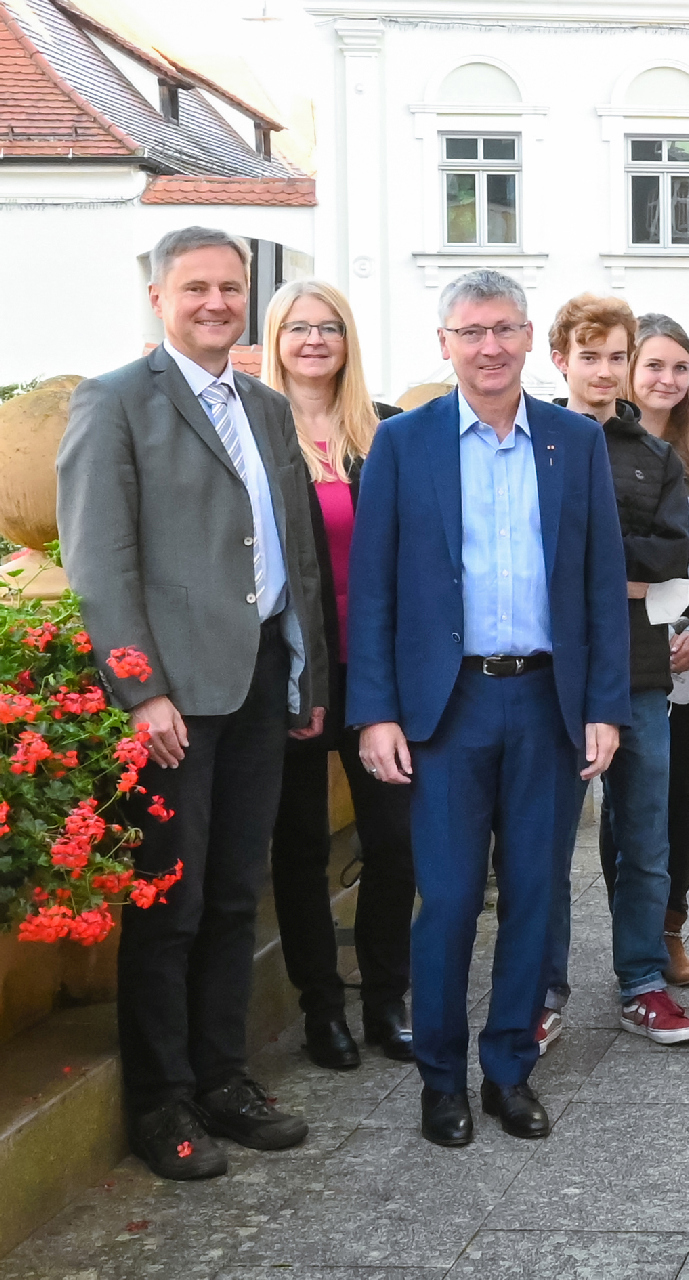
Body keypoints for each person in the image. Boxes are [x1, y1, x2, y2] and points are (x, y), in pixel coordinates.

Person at [58, 226, 329, 1178]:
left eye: (231, 287)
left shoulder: (261, 404)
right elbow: (99, 561)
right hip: (173, 700)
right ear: (159, 300)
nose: (217, 302)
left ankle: (223, 1079)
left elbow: (293, 553)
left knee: (231, 895)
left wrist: (305, 674)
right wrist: (140, 691)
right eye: (197, 288)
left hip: (258, 681)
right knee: (169, 904)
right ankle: (161, 1102)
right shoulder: (116, 402)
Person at [348, 269, 629, 1147]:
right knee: (452, 899)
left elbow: (597, 586)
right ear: (445, 344)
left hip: (547, 700)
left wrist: (605, 707)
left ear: (528, 337)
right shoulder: (405, 445)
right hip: (448, 706)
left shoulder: (573, 443)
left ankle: (509, 1068)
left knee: (538, 898)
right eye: (471, 332)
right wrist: (376, 713)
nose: (490, 347)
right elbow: (374, 590)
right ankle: (441, 1078)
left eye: (505, 329)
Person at [260, 279, 417, 1070]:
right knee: (298, 848)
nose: (314, 340)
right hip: (294, 669)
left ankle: (387, 1001)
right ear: (275, 337)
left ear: (347, 340)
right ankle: (322, 1009)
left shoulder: (381, 433)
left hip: (378, 672)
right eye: (298, 327)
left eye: (330, 327)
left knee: (396, 843)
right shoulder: (255, 432)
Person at [538, 294, 689, 1050]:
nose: (604, 371)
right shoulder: (532, 443)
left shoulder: (656, 457)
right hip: (552, 674)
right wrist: (616, 568)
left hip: (639, 669)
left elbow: (670, 563)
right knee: (547, 841)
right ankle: (541, 989)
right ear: (561, 359)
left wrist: (589, 567)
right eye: (590, 355)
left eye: (616, 356)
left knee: (645, 836)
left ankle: (643, 982)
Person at [631, 312, 689, 988]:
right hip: (627, 644)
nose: (668, 379)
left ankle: (670, 930)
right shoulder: (603, 448)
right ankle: (630, 933)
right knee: (631, 796)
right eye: (654, 365)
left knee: (678, 791)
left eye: (679, 368)